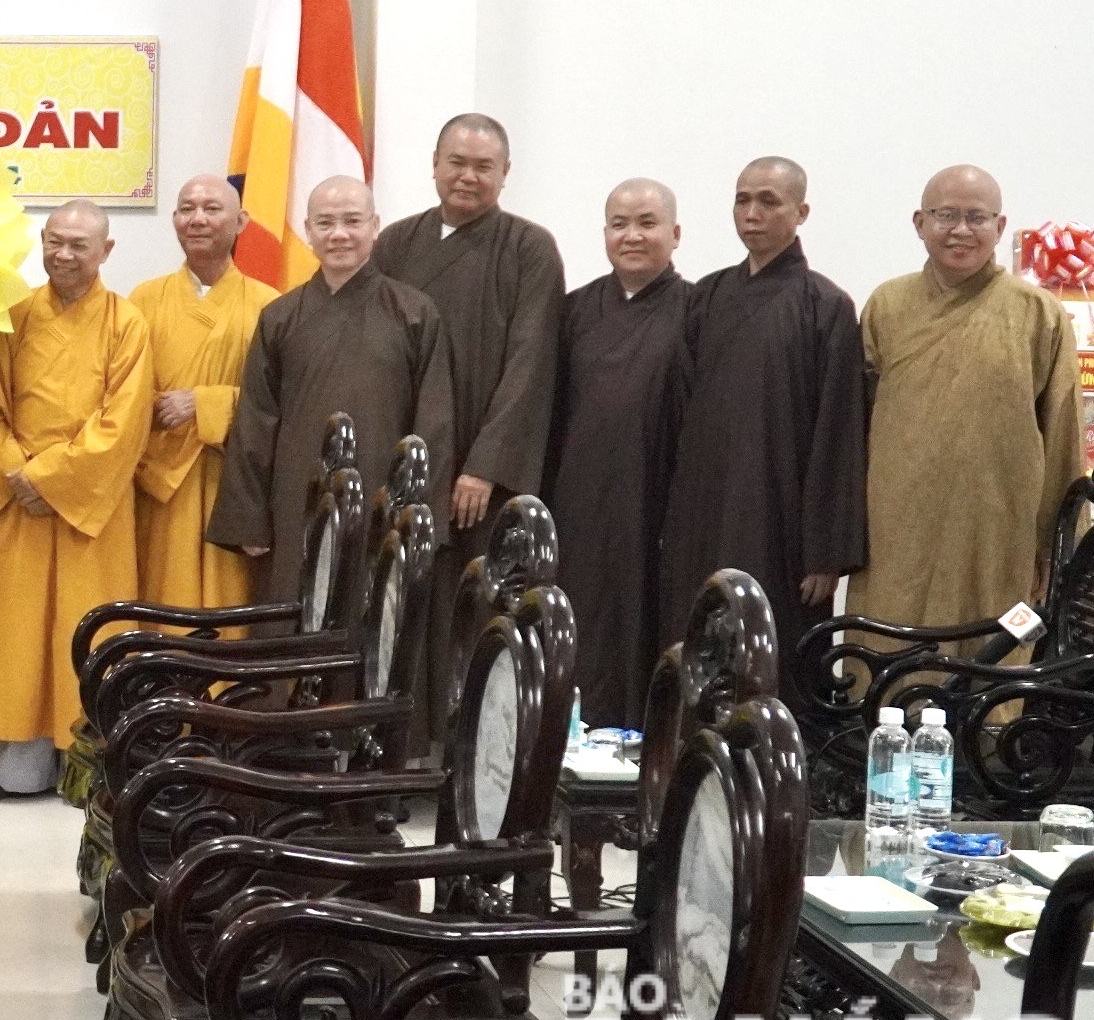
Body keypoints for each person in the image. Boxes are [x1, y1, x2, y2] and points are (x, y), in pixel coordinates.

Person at [210, 176, 453, 745]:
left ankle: (377, 765)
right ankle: (282, 754)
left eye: (352, 221)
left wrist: (416, 516)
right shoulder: (281, 316)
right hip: (297, 505)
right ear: (307, 231)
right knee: (292, 622)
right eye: (326, 223)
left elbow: (435, 422)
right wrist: (251, 519)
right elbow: (256, 423)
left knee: (380, 627)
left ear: (374, 226)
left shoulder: (415, 313)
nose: (339, 234)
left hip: (383, 512)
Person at [0, 200, 154, 800]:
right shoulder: (14, 316)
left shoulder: (127, 324)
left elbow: (123, 423)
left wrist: (50, 477)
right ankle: (15, 770)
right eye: (55, 241)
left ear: (106, 251)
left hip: (87, 509)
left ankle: (91, 772)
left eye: (79, 244)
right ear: (42, 242)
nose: (65, 254)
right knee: (16, 638)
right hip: (22, 500)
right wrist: (19, 473)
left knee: (89, 632)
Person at [845, 165, 1084, 643]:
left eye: (976, 217)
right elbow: (852, 430)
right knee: (886, 658)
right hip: (896, 527)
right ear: (919, 223)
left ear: (999, 227)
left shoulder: (1038, 313)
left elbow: (1062, 438)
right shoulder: (887, 306)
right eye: (945, 215)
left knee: (989, 665)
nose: (960, 230)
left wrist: (1058, 548)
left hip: (996, 531)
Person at [659, 156, 867, 654]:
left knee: (773, 650)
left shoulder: (826, 305)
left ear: (802, 212)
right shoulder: (706, 296)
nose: (751, 212)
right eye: (742, 199)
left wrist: (824, 554)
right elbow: (681, 414)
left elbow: (838, 432)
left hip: (780, 522)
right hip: (701, 511)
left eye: (768, 201)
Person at [371, 113, 562, 557]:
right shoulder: (396, 242)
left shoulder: (529, 248)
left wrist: (485, 466)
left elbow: (530, 364)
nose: (468, 177)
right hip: (403, 449)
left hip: (476, 468)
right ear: (435, 163)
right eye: (457, 162)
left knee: (468, 589)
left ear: (505, 173)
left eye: (484, 167)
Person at [543, 180, 689, 728]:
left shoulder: (696, 311)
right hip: (577, 503)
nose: (633, 236)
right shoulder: (573, 310)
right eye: (619, 224)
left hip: (655, 504)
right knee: (578, 623)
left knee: (648, 624)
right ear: (604, 232)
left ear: (674, 234)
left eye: (647, 224)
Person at [129, 174, 276, 617]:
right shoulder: (142, 300)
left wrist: (205, 403)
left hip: (231, 478)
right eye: (187, 208)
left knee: (226, 599)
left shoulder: (269, 305)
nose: (198, 219)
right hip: (157, 480)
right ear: (174, 220)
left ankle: (222, 687)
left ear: (241, 222)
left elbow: (280, 402)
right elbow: (118, 389)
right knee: (157, 597)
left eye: (212, 209)